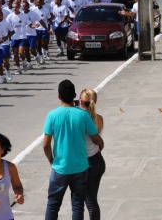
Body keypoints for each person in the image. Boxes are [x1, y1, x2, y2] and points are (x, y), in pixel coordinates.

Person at [43, 80, 104, 220]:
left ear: (59, 96)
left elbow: (46, 144)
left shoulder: (52, 115)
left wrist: (52, 161)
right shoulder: (82, 115)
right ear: (74, 96)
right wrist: (100, 144)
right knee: (77, 205)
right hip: (80, 168)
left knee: (53, 204)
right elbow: (96, 138)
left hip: (60, 168)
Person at [78, 89, 105, 220]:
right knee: (92, 200)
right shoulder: (99, 118)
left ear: (81, 101)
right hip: (98, 161)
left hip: (86, 163)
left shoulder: (79, 119)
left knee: (88, 202)